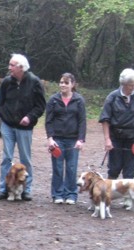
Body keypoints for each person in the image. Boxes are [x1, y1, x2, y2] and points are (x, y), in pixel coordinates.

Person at [0, 54, 46, 201]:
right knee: (6, 158)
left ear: (21, 67)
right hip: (8, 125)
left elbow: (41, 106)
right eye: (9, 64)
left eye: (12, 65)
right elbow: (2, 103)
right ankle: (4, 188)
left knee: (25, 159)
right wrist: (5, 117)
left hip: (25, 128)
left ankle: (26, 189)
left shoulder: (35, 82)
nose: (9, 68)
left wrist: (29, 117)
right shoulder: (6, 82)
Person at [99, 68, 134, 179]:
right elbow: (105, 119)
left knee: (130, 171)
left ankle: (127, 195)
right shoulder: (112, 97)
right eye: (130, 85)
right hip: (116, 137)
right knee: (114, 169)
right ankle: (110, 195)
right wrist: (107, 139)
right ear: (123, 84)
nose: (133, 87)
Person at [45, 73, 86, 205]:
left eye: (66, 82)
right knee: (57, 167)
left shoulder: (79, 100)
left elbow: (82, 121)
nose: (62, 85)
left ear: (72, 85)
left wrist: (81, 139)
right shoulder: (53, 100)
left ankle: (71, 194)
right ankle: (57, 194)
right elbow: (48, 121)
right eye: (61, 82)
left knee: (71, 168)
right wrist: (50, 138)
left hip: (73, 140)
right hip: (57, 139)